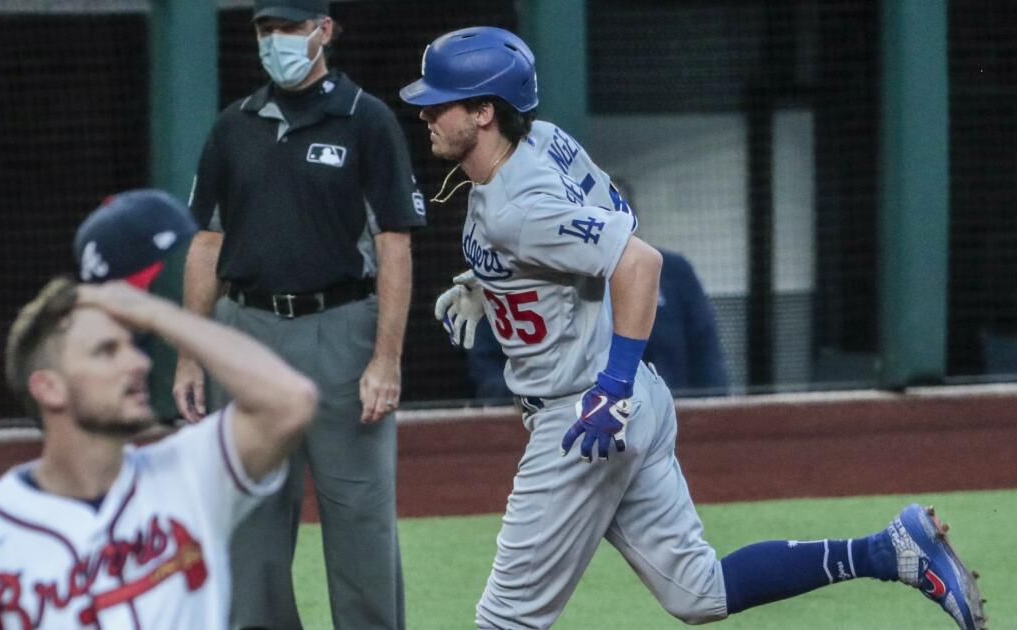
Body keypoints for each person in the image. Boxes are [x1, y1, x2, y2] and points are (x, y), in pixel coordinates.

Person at [403, 27, 986, 630]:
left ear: (484, 111)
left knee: (505, 620)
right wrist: (494, 283)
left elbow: (638, 262)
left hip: (584, 419)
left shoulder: (520, 208)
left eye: (440, 101)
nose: (424, 112)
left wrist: (612, 388)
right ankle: (888, 550)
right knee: (699, 595)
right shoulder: (543, 142)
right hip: (634, 403)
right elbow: (609, 223)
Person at [0, 190, 318, 629]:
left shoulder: (191, 475)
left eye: (133, 344)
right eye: (106, 351)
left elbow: (290, 400)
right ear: (50, 389)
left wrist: (157, 314)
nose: (138, 362)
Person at [176, 1, 425, 627]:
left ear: (325, 31)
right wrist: (190, 352)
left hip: (342, 331)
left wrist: (386, 358)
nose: (276, 40)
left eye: (289, 27)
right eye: (266, 28)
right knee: (250, 521)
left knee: (360, 518)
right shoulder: (232, 126)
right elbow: (207, 241)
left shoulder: (367, 120)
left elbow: (395, 243)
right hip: (247, 333)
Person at [643, 249, 730, 396]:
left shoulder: (672, 269)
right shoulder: (594, 275)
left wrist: (715, 408)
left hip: (678, 406)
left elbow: (705, 346)